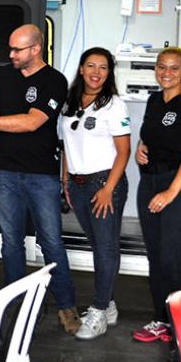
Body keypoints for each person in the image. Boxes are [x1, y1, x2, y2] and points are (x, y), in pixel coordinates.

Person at [0, 23, 81, 335]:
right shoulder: (4, 78)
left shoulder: (54, 81)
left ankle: (66, 305)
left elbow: (32, 122)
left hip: (42, 175)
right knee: (11, 242)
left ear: (36, 49)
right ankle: (17, 303)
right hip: (4, 174)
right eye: (10, 48)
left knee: (51, 242)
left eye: (17, 49)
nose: (11, 54)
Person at [133, 47, 181, 344]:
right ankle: (161, 320)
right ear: (156, 69)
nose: (167, 73)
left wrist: (170, 192)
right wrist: (142, 146)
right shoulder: (155, 100)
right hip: (150, 182)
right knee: (155, 257)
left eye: (174, 68)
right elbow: (152, 135)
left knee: (172, 259)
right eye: (162, 67)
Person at [60, 47, 131, 340]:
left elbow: (124, 152)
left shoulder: (114, 104)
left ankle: (100, 310)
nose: (96, 72)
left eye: (103, 68)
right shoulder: (70, 103)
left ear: (109, 73)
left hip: (104, 184)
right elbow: (66, 144)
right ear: (81, 69)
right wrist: (65, 180)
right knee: (98, 246)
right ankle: (109, 304)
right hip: (76, 185)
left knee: (105, 248)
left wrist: (108, 189)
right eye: (91, 66)